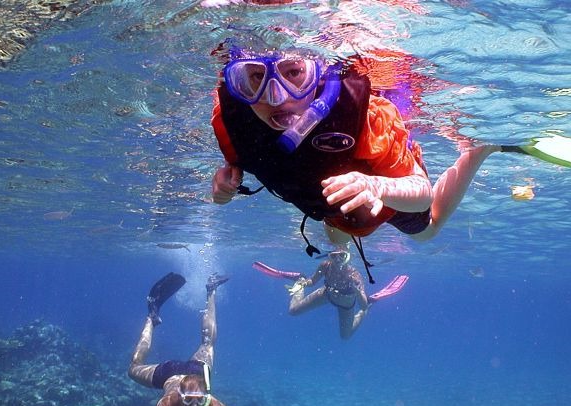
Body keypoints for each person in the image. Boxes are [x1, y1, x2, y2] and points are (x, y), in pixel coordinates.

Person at [210, 48, 500, 280]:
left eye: (295, 73)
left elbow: (422, 193)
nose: (276, 97)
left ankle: (475, 152)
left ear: (318, 71)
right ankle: (341, 250)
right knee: (340, 235)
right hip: (334, 207)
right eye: (255, 78)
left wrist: (375, 185)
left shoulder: (370, 117)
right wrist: (227, 178)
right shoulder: (231, 120)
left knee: (428, 232)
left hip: (384, 196)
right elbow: (243, 154)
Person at [128, 272, 249, 406]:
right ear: (179, 396)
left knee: (209, 342)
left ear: (206, 397)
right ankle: (152, 317)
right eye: (188, 400)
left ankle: (211, 290)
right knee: (133, 368)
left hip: (197, 371)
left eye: (199, 400)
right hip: (170, 373)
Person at [287, 245, 371, 340]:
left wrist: (358, 292)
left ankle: (364, 312)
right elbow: (312, 281)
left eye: (342, 256)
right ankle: (300, 278)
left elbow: (363, 306)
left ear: (348, 257)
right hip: (326, 294)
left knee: (345, 336)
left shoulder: (354, 275)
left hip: (346, 305)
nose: (338, 260)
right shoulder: (325, 266)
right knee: (293, 311)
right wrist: (303, 284)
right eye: (334, 256)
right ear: (329, 256)